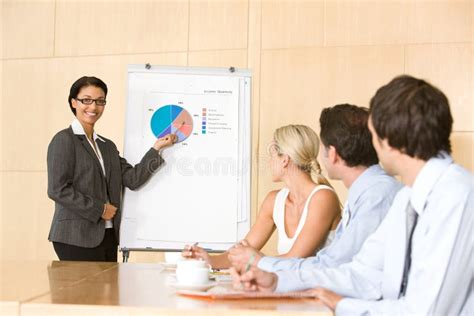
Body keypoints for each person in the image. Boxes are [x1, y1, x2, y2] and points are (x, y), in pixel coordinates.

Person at [232, 75, 473, 315]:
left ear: (388, 139)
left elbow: (426, 311)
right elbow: (361, 273)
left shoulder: (457, 197)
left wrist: (341, 305)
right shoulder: (408, 198)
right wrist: (277, 282)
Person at [228, 104, 402, 273]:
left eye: (323, 148)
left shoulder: (376, 195)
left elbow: (338, 266)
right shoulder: (366, 194)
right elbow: (329, 262)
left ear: (332, 154)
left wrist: (258, 262)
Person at [47, 76, 176, 262]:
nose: (93, 107)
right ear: (73, 102)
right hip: (75, 237)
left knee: (104, 292)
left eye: (100, 101)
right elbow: (57, 190)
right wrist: (99, 209)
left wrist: (156, 149)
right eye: (86, 100)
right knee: (83, 292)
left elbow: (133, 179)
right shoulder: (64, 140)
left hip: (108, 235)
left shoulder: (107, 146)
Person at [183, 124, 341, 269]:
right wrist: (207, 259)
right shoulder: (274, 201)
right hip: (290, 290)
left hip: (322, 294)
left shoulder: (323, 198)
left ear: (284, 160)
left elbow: (296, 258)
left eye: (272, 156)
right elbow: (241, 252)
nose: (270, 162)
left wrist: (252, 259)